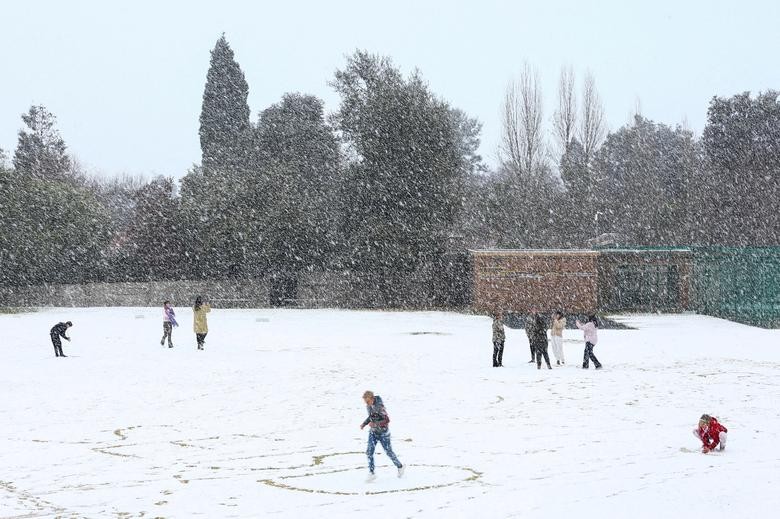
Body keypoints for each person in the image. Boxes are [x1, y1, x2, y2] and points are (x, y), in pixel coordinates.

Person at [360, 390, 404, 482]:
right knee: (369, 452)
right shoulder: (368, 406)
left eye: (367, 401)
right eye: (365, 402)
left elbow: (387, 420)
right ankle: (372, 473)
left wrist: (375, 424)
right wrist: (364, 424)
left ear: (372, 399)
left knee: (389, 452)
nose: (366, 404)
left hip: (383, 433)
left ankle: (400, 466)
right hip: (373, 433)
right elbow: (371, 416)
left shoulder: (380, 407)